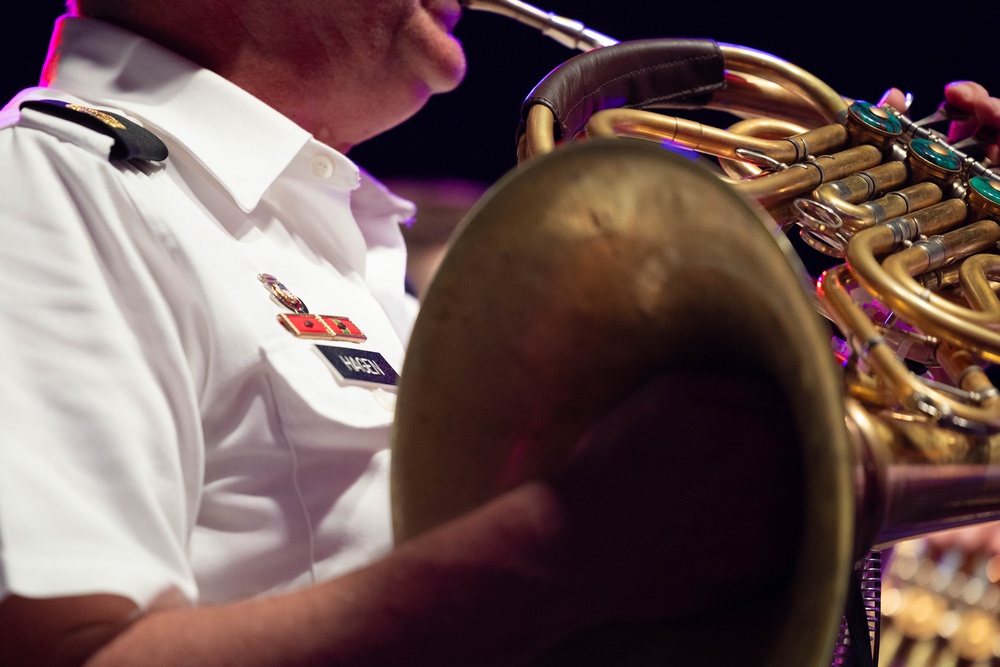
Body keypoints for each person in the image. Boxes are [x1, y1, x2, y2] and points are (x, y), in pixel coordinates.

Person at [0, 2, 811, 666]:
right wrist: (567, 547)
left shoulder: (322, 228)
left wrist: (859, 359)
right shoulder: (50, 183)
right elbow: (77, 652)